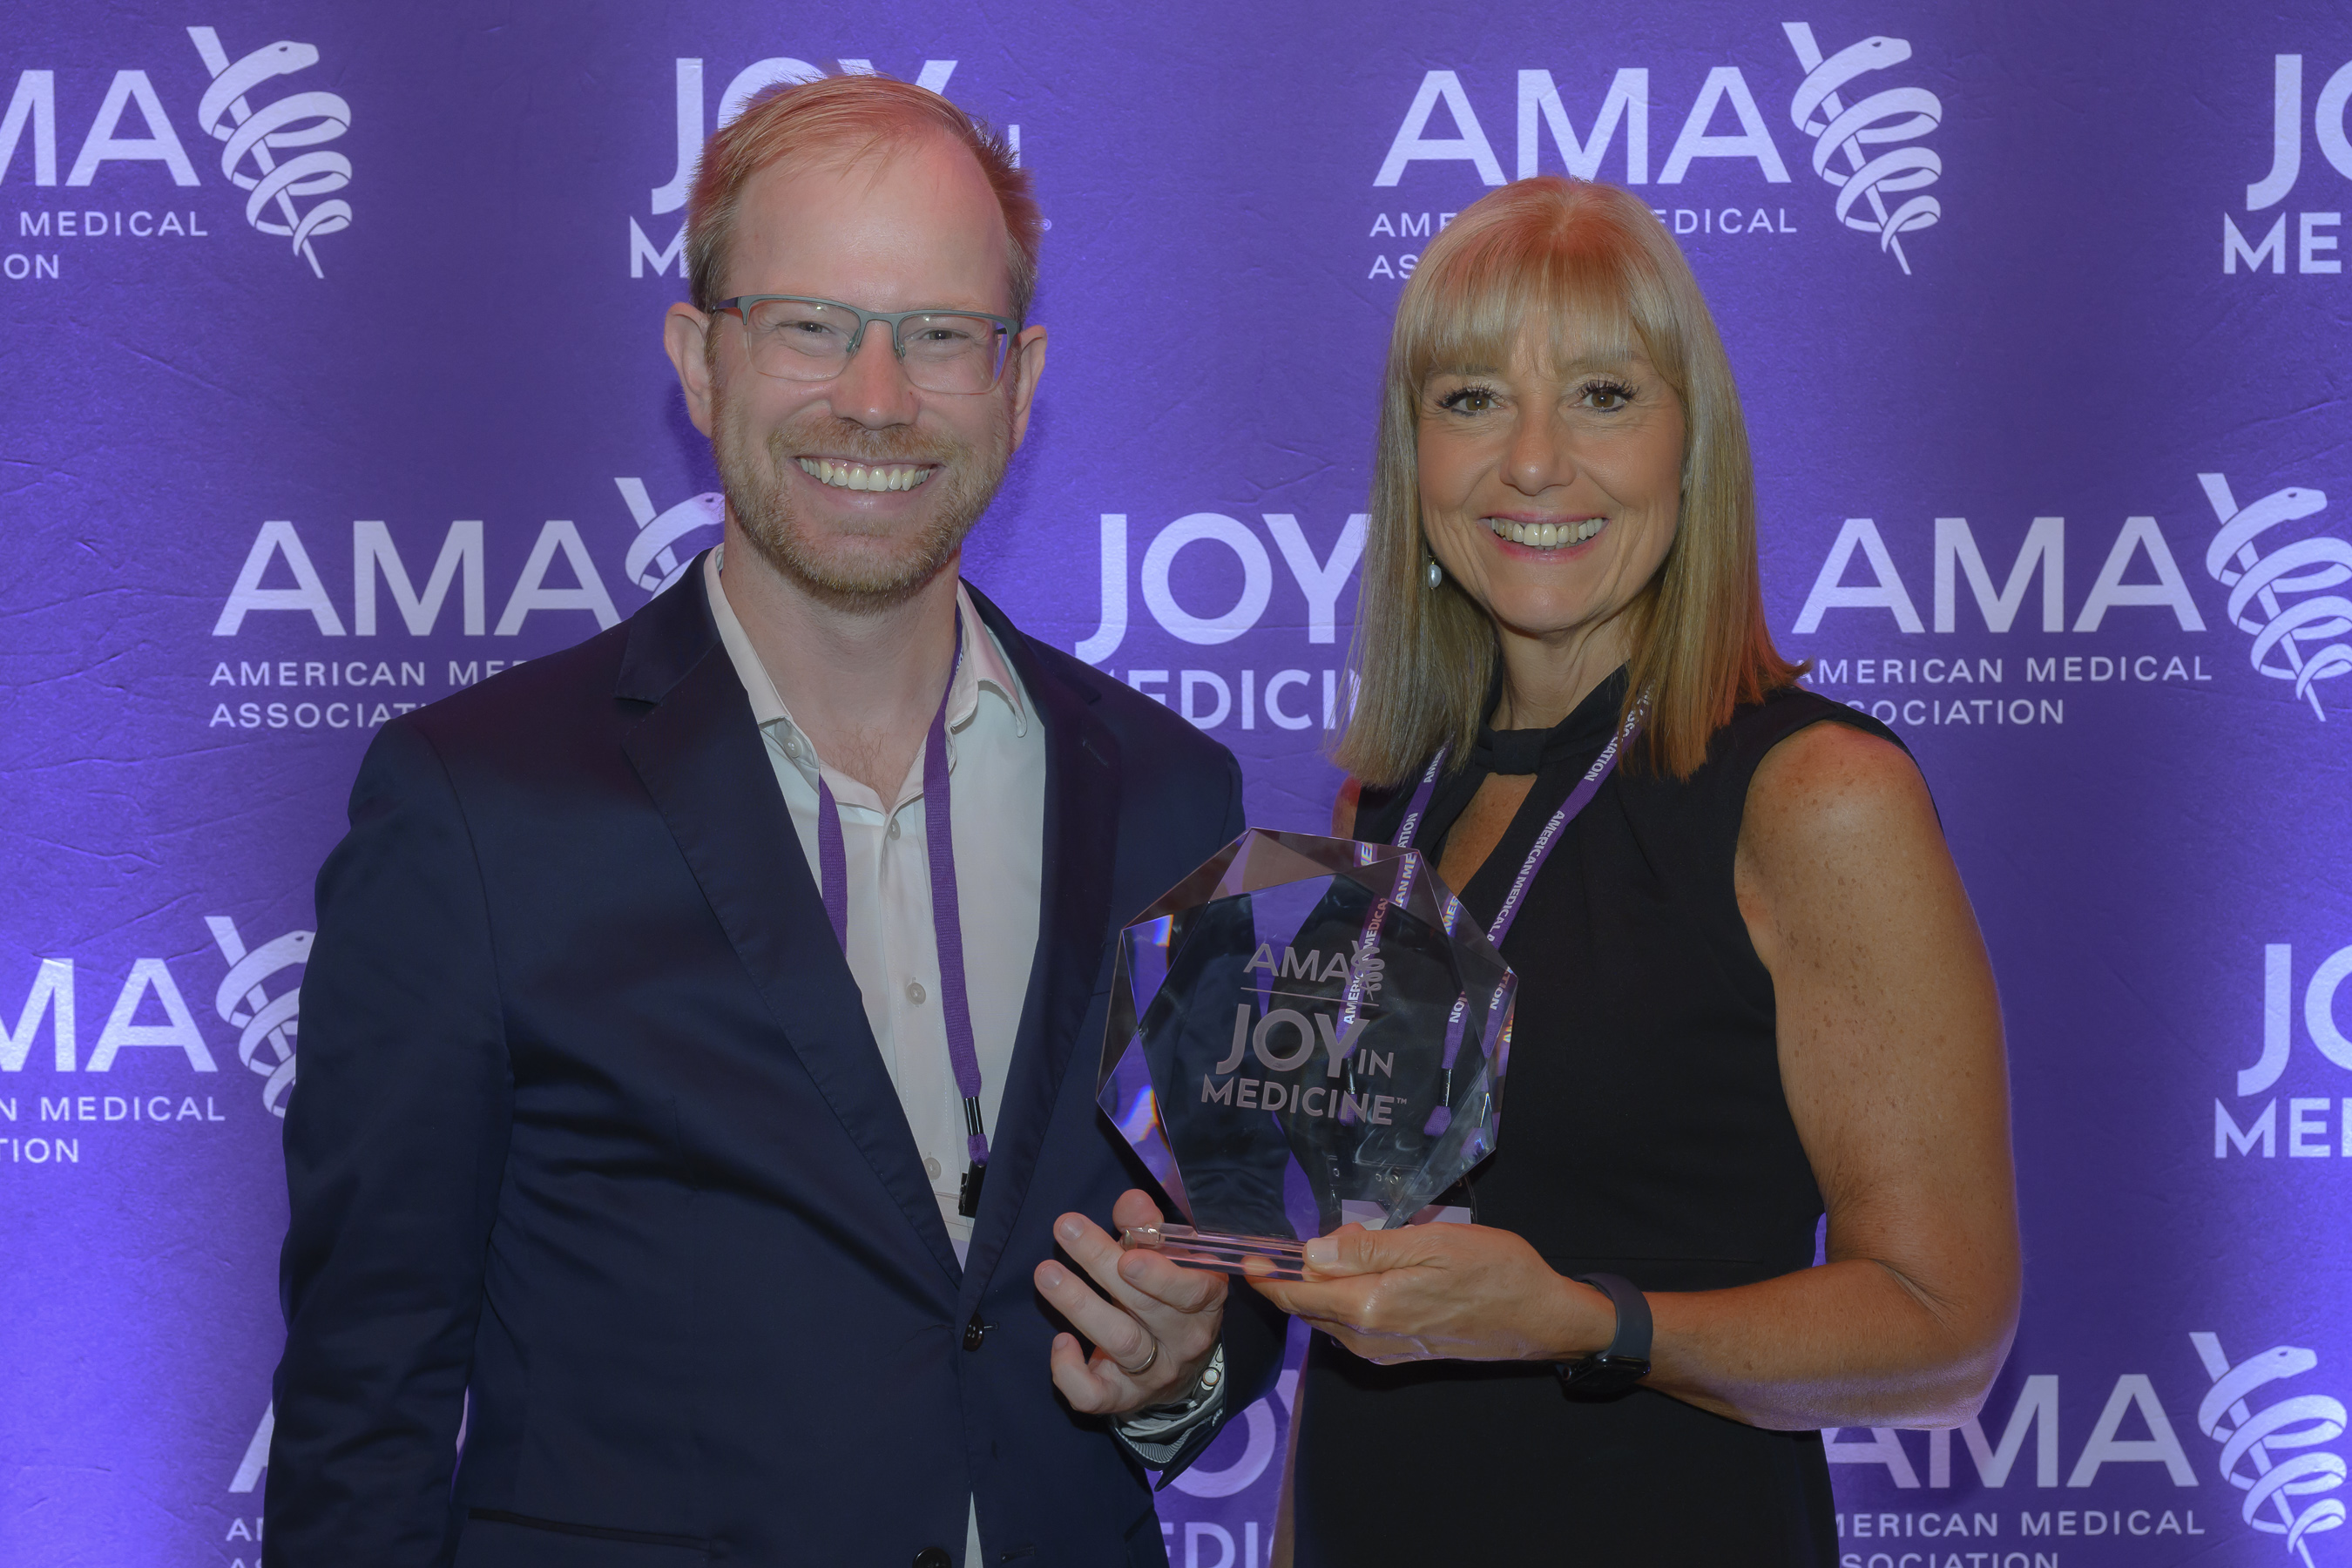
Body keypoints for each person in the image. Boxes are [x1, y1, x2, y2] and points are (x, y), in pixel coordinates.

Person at [265, 74, 1282, 1568]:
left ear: (1020, 378)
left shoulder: (1175, 797)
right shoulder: (476, 807)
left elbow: (1228, 1282)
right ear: (698, 359)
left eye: (941, 334)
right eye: (811, 325)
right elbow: (367, 1401)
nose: (876, 397)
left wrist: (1181, 1370)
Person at [1250, 177, 2021, 1565]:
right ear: (1413, 453)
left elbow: (1943, 1330)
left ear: (1693, 447)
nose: (1534, 463)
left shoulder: (1816, 795)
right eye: (1473, 398)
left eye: (1603, 395)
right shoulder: (1397, 793)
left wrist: (1591, 1321)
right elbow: (1366, 1289)